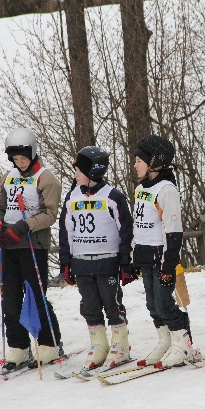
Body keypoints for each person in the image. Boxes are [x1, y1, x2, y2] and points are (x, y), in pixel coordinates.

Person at [0, 127, 63, 369]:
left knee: (36, 296)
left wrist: (24, 226)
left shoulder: (46, 178)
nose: (20, 163)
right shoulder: (9, 177)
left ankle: (49, 343)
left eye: (24, 158)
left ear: (33, 154)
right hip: (9, 246)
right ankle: (18, 346)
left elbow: (50, 214)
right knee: (10, 298)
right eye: (16, 159)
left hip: (32, 245)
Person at [58, 146, 133, 370]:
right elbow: (66, 231)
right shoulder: (72, 197)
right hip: (81, 263)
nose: (75, 174)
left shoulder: (113, 196)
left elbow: (126, 231)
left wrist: (125, 263)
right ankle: (99, 344)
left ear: (92, 172)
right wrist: (66, 262)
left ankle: (120, 344)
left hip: (107, 261)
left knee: (112, 304)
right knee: (89, 306)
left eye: (78, 170)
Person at [132, 135, 191, 368]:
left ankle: (183, 344)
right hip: (145, 255)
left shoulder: (167, 189)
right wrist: (132, 255)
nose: (135, 164)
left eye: (139, 160)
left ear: (155, 162)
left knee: (165, 304)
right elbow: (139, 225)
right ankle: (165, 341)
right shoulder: (140, 189)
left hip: (161, 256)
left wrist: (170, 262)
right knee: (152, 305)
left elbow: (173, 228)